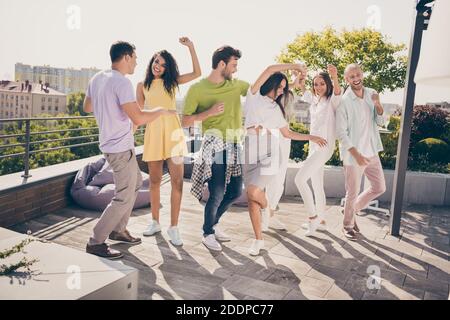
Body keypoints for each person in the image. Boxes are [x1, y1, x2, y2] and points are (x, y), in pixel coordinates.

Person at [83, 41, 176, 259]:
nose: (136, 62)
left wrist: (109, 106)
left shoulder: (97, 78)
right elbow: (139, 117)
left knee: (134, 183)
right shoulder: (122, 82)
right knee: (123, 196)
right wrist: (161, 111)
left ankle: (118, 229)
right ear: (125, 57)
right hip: (119, 148)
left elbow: (87, 107)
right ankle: (96, 241)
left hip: (113, 144)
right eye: (134, 57)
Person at [243, 64, 327, 255]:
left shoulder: (276, 109)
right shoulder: (253, 95)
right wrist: (294, 66)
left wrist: (311, 137)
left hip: (270, 153)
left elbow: (287, 133)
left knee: (254, 190)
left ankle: (267, 210)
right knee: (251, 195)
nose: (282, 90)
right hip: (249, 151)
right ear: (271, 84)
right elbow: (269, 69)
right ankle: (258, 239)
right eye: (280, 86)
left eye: (284, 87)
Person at [182, 46, 249, 252]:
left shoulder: (236, 85)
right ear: (222, 64)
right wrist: (208, 113)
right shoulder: (197, 89)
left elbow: (262, 91)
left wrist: (291, 82)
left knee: (235, 191)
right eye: (233, 65)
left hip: (235, 145)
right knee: (217, 191)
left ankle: (213, 224)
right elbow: (185, 121)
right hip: (215, 145)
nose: (236, 70)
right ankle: (207, 233)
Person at [137, 37, 201, 246]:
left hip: (173, 134)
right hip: (153, 134)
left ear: (168, 68)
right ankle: (155, 222)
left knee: (177, 181)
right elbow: (137, 114)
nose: (158, 66)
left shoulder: (171, 82)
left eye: (163, 64)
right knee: (154, 180)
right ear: (151, 62)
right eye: (156, 61)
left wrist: (191, 47)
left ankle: (174, 227)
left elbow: (197, 73)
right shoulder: (142, 85)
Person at [336, 63, 387, 240]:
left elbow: (380, 121)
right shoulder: (344, 101)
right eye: (352, 76)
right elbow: (341, 133)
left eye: (358, 74)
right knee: (352, 192)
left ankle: (351, 209)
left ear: (362, 74)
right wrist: (356, 154)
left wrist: (378, 104)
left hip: (371, 151)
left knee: (379, 186)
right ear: (346, 79)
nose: (356, 78)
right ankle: (347, 225)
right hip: (353, 156)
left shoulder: (372, 93)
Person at [294, 65, 342, 236]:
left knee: (299, 179)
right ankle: (321, 220)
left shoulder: (332, 101)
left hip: (324, 147)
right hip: (314, 147)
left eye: (322, 83)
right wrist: (298, 76)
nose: (318, 87)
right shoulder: (315, 100)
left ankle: (313, 217)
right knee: (316, 185)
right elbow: (302, 88)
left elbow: (337, 92)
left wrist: (335, 76)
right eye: (316, 84)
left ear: (327, 84)